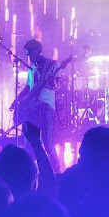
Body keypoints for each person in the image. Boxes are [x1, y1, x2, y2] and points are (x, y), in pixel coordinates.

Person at [18, 39, 61, 172]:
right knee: (30, 141)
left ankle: (57, 170)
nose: (28, 55)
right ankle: (32, 171)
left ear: (38, 51)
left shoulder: (51, 64)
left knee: (47, 143)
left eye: (30, 52)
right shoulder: (31, 68)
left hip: (46, 107)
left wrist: (50, 83)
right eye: (27, 53)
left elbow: (56, 85)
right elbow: (28, 87)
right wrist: (17, 99)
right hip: (32, 107)